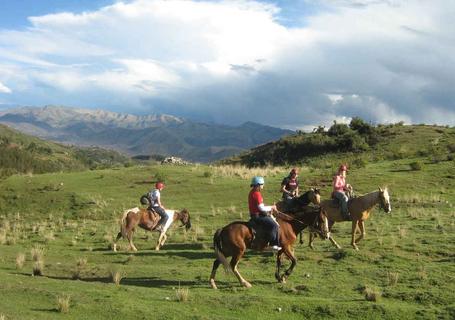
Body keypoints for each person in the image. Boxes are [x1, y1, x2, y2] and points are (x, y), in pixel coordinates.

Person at [248, 176, 281, 251]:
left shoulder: (253, 192)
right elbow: (261, 208)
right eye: (262, 184)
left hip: (256, 214)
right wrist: (272, 207)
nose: (263, 186)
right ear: (258, 185)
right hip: (258, 216)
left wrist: (269, 208)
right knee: (274, 225)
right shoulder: (257, 194)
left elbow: (261, 205)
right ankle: (272, 244)